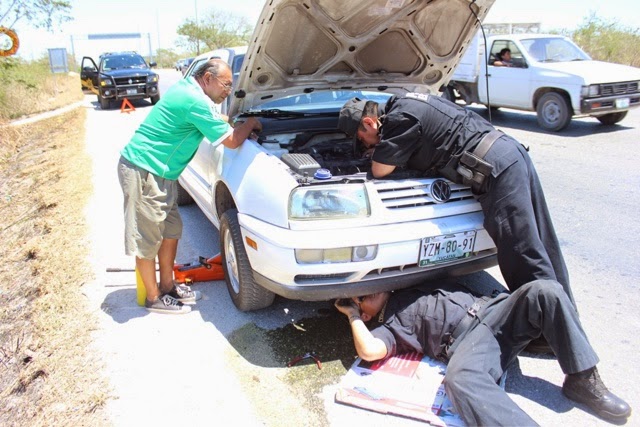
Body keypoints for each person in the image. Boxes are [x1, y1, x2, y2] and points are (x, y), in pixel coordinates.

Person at [337, 95, 574, 317]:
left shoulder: (400, 120)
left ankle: (548, 324)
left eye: (361, 139)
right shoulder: (406, 102)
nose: (363, 145)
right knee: (542, 240)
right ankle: (565, 318)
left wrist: (375, 153)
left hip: (495, 169)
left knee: (521, 253)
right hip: (508, 153)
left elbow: (379, 170)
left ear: (369, 123)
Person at [335, 280, 632, 426]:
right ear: (367, 313)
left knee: (546, 290)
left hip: (495, 311)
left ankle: (582, 380)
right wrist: (352, 315)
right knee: (460, 381)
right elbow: (370, 350)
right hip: (471, 343)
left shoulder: (407, 283)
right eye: (361, 299)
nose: (368, 294)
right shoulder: (390, 325)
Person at [117, 59, 262, 314]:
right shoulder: (193, 100)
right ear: (207, 78)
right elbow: (231, 141)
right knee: (147, 236)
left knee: (171, 230)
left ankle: (168, 285)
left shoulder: (190, 91)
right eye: (226, 85)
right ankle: (153, 298)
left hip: (163, 174)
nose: (229, 91)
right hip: (144, 170)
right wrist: (249, 124)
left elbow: (215, 118)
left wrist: (235, 121)